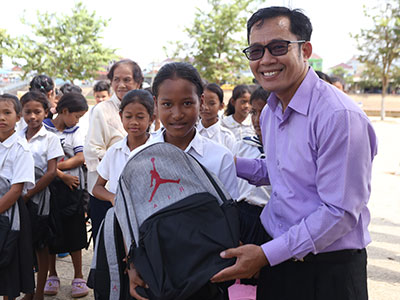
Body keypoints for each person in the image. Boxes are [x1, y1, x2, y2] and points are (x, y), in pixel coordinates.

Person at [211, 6, 377, 300]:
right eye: (256, 51)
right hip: (280, 257)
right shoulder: (272, 110)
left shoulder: (338, 116)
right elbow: (278, 171)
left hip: (327, 271)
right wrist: (225, 162)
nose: (266, 60)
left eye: (277, 47)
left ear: (305, 50)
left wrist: (266, 254)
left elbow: (339, 213)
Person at [127, 62, 239, 300]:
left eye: (187, 103)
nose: (177, 114)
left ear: (201, 102)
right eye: (167, 104)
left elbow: (229, 222)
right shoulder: (139, 157)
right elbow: (131, 221)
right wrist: (133, 266)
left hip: (207, 277)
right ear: (156, 104)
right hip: (155, 276)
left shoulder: (219, 157)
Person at [84, 59, 143, 241]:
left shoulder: (145, 107)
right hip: (108, 192)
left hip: (138, 193)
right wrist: (119, 159)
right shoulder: (102, 110)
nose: (121, 85)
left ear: (138, 82)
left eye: (127, 79)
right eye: (116, 79)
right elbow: (92, 149)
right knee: (108, 247)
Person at [42, 92, 89, 298]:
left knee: (74, 231)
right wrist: (61, 175)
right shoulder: (43, 129)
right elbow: (41, 160)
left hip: (71, 190)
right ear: (64, 111)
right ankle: (52, 274)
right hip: (48, 188)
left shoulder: (75, 132)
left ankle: (78, 276)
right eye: (76, 116)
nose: (77, 120)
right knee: (51, 232)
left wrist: (55, 167)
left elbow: (80, 158)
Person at [19, 91, 64, 300]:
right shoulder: (16, 136)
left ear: (46, 112)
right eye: (28, 112)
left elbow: (51, 172)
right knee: (23, 246)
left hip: (39, 199)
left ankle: (38, 293)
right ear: (21, 113)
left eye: (37, 112)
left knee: (41, 246)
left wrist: (29, 194)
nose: (32, 117)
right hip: (16, 197)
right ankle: (27, 291)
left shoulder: (50, 138)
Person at [229, 86, 271, 300]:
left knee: (269, 278)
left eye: (264, 111)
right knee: (240, 277)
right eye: (254, 112)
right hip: (244, 216)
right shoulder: (242, 145)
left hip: (271, 220)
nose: (257, 118)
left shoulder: (288, 149)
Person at [0, 94, 35, 300]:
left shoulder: (21, 149)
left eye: (7, 113)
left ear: (18, 116)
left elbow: (16, 190)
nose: (2, 118)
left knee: (8, 265)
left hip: (10, 211)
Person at [93, 89, 154, 205]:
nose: (134, 122)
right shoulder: (114, 152)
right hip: (122, 216)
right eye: (128, 116)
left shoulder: (158, 150)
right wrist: (113, 197)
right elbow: (97, 188)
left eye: (140, 117)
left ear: (151, 118)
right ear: (121, 117)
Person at [197, 83, 236, 151]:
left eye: (212, 103)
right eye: (202, 102)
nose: (205, 107)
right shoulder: (190, 133)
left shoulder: (227, 137)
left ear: (221, 106)